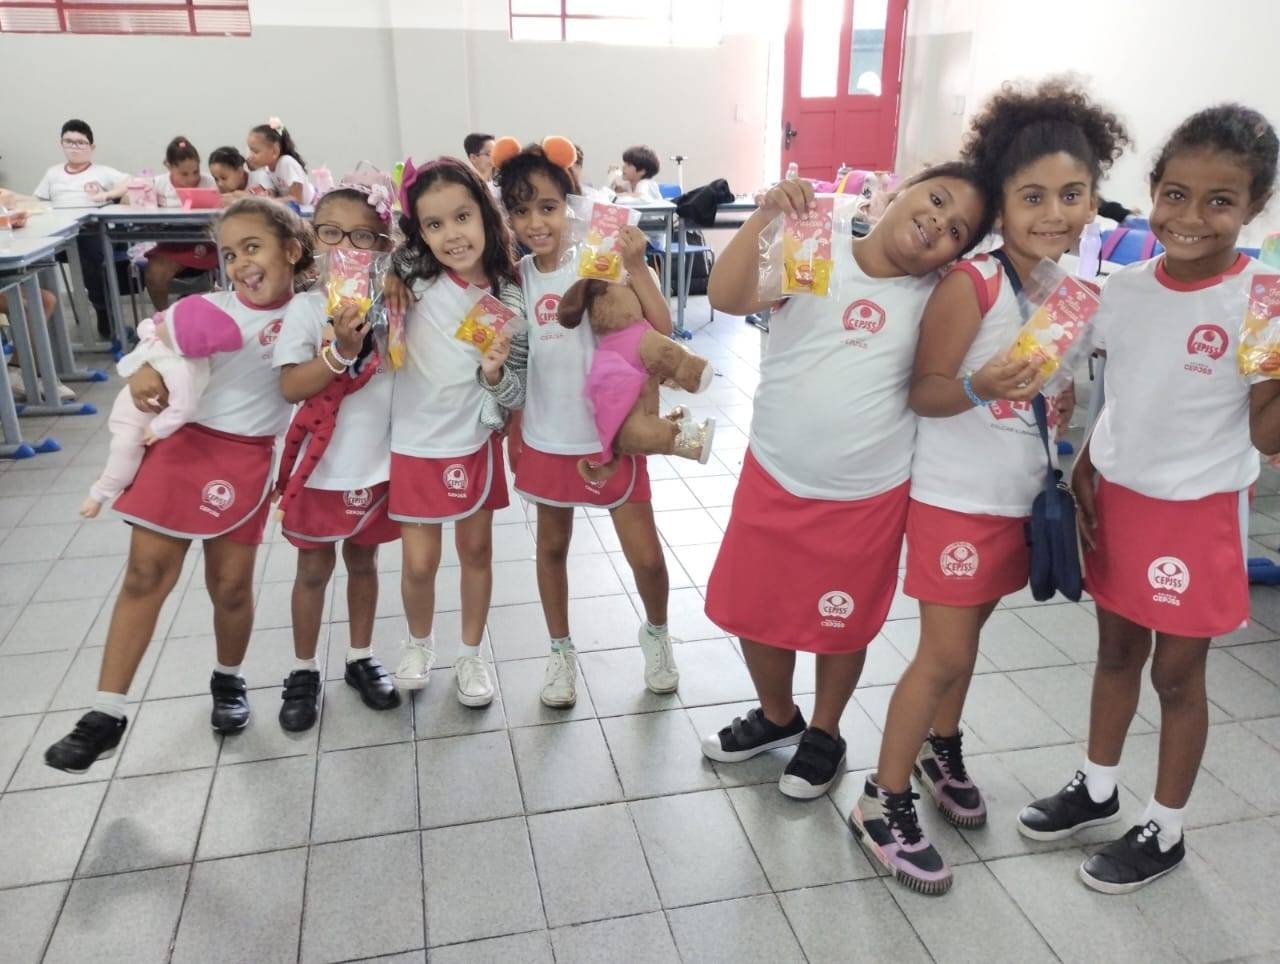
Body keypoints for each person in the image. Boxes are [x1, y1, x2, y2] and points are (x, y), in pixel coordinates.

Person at [850, 79, 1129, 895]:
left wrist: (1052, 402)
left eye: (1071, 194)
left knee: (967, 642)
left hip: (1014, 498)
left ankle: (941, 749)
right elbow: (927, 391)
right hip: (955, 500)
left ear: (1093, 200)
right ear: (1001, 204)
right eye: (1032, 196)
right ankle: (880, 800)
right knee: (942, 652)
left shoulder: (1063, 292)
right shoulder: (970, 283)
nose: (1053, 212)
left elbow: (1046, 389)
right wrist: (982, 386)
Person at [1018, 104, 1280, 893]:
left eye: (1220, 201)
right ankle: (1097, 787)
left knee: (1177, 678)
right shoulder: (1120, 291)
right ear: (1154, 191)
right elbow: (1082, 378)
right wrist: (1083, 459)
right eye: (1175, 194)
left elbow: (1267, 432)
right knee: (1115, 654)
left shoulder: (1262, 300)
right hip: (1118, 500)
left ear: (1255, 206)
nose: (1191, 217)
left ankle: (1165, 828)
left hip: (1198, 512)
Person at [699, 164, 992, 800]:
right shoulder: (815, 242)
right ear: (898, 191)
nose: (937, 223)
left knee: (841, 621)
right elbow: (727, 296)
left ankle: (825, 732)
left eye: (956, 230)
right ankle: (778, 715)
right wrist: (766, 218)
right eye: (935, 199)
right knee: (756, 609)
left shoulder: (938, 296)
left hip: (868, 492)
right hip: (776, 469)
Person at [44, 198, 311, 772]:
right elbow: (151, 346)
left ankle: (228, 678)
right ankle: (105, 713)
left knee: (230, 587)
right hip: (182, 444)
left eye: (254, 247)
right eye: (230, 253)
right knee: (145, 575)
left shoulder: (311, 313)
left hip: (246, 459)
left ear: (292, 250)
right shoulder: (205, 306)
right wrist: (142, 369)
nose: (241, 263)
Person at [494, 137, 684, 706]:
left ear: (570, 205)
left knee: (645, 556)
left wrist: (638, 265)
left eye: (548, 207)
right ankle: (560, 652)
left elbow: (662, 329)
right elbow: (510, 354)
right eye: (521, 211)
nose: (535, 223)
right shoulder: (516, 279)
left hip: (613, 435)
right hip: (546, 435)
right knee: (552, 547)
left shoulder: (599, 260)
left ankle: (657, 634)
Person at [387, 157, 525, 706]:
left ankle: (471, 654)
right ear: (420, 232)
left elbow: (515, 394)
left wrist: (493, 374)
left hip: (474, 441)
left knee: (476, 552)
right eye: (434, 224)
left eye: (462, 217)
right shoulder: (414, 278)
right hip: (413, 440)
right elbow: (380, 266)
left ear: (485, 215)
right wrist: (389, 277)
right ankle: (418, 644)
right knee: (419, 563)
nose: (451, 234)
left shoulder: (507, 295)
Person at [271, 174, 402, 731]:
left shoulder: (394, 306)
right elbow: (290, 387)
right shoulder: (306, 309)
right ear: (313, 240)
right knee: (312, 570)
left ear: (384, 245)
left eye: (363, 236)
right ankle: (303, 669)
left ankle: (359, 656)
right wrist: (340, 351)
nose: (347, 247)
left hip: (375, 465)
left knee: (364, 563)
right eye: (332, 233)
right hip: (319, 471)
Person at [32, 119, 126, 338]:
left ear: (91, 147)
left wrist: (107, 195)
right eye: (69, 141)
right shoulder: (53, 173)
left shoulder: (102, 172)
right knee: (35, 256)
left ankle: (103, 311)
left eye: (80, 142)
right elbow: (37, 201)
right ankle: (43, 323)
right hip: (58, 233)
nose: (74, 147)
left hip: (90, 231)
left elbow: (131, 182)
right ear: (61, 144)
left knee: (92, 256)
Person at [137, 136, 220, 310]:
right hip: (170, 243)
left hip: (202, 241)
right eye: (184, 174)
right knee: (154, 275)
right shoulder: (158, 183)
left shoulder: (208, 182)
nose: (191, 178)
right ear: (168, 166)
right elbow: (129, 200)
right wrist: (139, 195)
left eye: (195, 172)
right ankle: (163, 316)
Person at [246, 118, 315, 205]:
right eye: (250, 150)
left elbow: (297, 199)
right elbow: (274, 193)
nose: (250, 156)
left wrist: (268, 202)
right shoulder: (268, 169)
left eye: (255, 151)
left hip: (311, 204)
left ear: (274, 151)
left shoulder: (286, 163)